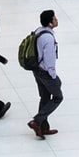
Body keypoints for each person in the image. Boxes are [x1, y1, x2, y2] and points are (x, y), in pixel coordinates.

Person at [27, 10, 62, 138]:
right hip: (45, 72)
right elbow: (49, 60)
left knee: (45, 97)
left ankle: (43, 127)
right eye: (54, 18)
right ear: (50, 23)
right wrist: (53, 75)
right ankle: (37, 121)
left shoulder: (38, 31)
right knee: (58, 97)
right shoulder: (48, 38)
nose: (56, 19)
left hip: (37, 69)